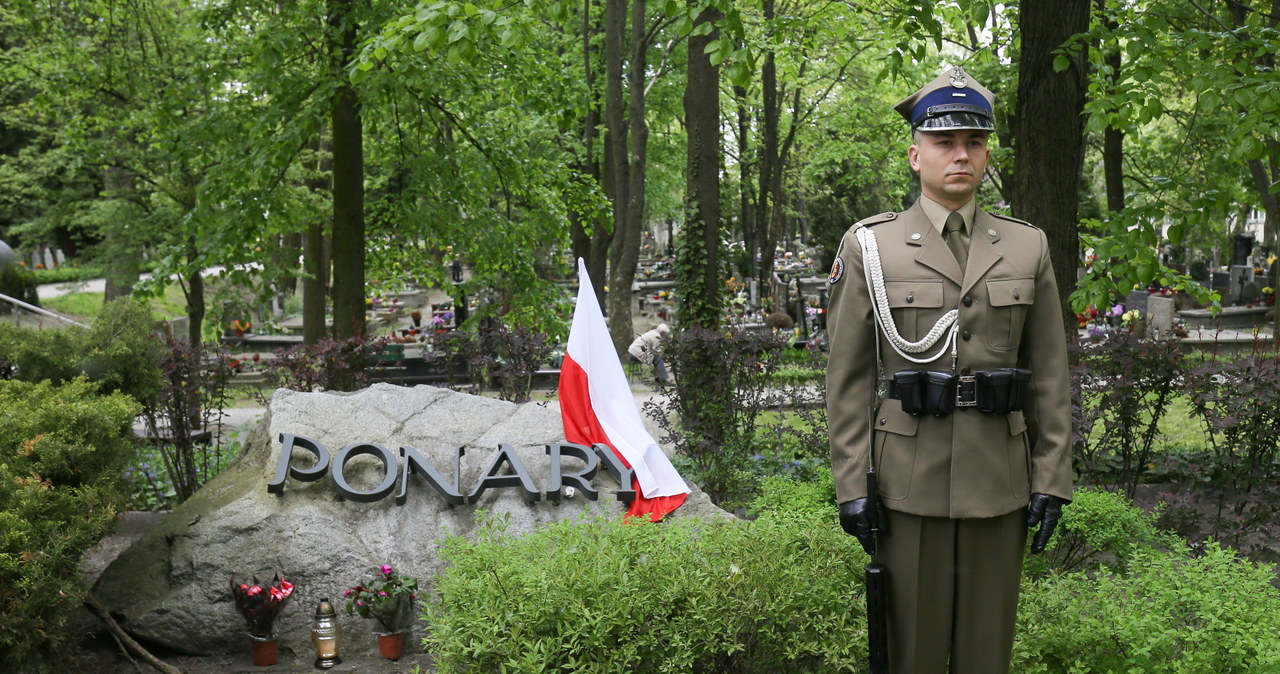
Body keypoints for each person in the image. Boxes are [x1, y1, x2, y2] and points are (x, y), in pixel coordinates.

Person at [825, 66, 1073, 674]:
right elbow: (849, 380)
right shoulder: (871, 247)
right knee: (911, 651)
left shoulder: (1027, 246)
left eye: (975, 142)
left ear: (987, 152)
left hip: (999, 477)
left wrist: (1052, 477)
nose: (961, 155)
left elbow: (1049, 375)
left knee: (988, 655)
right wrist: (853, 486)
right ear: (915, 155)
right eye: (944, 143)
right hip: (908, 480)